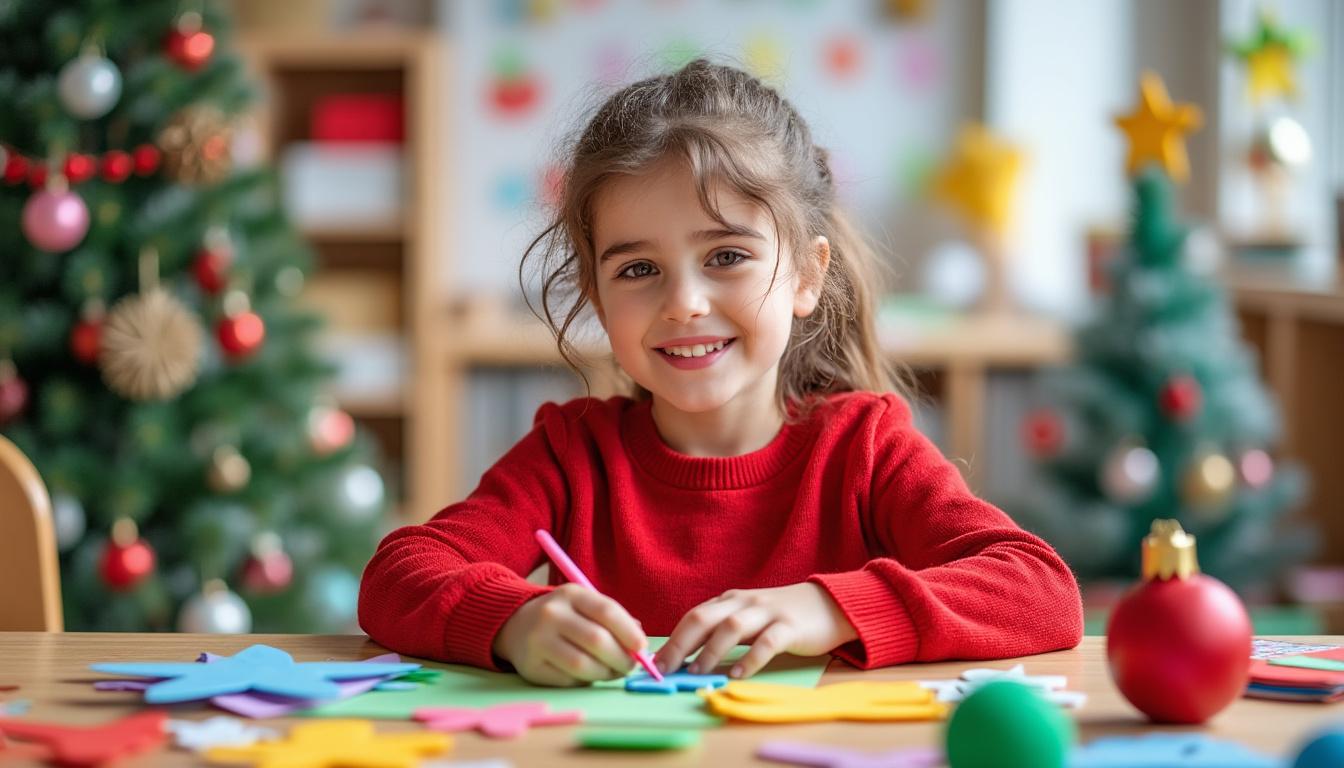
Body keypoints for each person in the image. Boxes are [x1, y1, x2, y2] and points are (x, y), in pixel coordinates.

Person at [359, 59, 1082, 687]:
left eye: (727, 256)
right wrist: (514, 621)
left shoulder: (864, 446)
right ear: (598, 299)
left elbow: (1042, 592)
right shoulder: (571, 455)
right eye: (638, 269)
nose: (684, 304)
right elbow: (398, 576)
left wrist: (827, 608)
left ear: (805, 274)